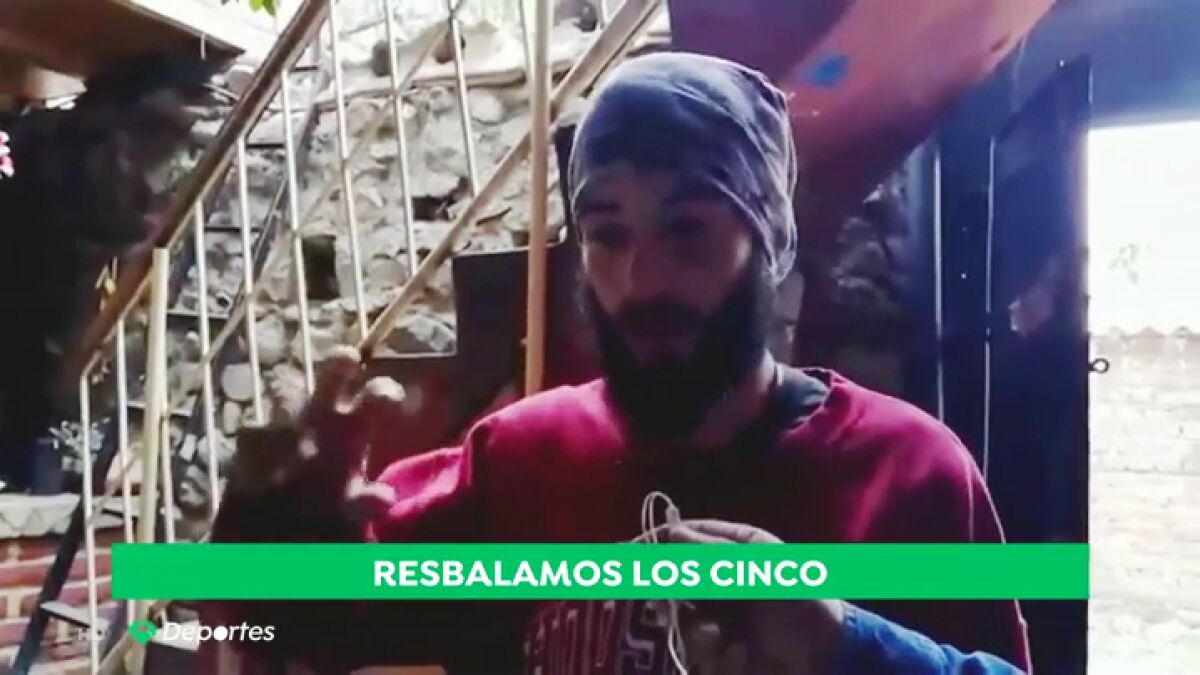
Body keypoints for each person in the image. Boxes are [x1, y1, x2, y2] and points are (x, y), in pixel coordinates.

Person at [208, 52, 1031, 674]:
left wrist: (841, 642)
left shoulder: (910, 471)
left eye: (688, 229)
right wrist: (256, 542)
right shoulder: (515, 461)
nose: (642, 281)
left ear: (768, 245)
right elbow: (233, 631)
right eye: (608, 234)